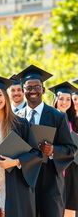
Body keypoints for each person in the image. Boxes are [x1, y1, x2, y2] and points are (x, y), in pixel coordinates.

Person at [0, 74, 42, 217]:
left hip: (14, 187)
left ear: (5, 96)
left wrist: (16, 161)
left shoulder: (20, 123)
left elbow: (36, 154)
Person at [15, 65, 77, 217]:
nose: (33, 91)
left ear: (43, 89)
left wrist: (53, 150)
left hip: (50, 181)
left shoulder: (57, 116)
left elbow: (71, 148)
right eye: (29, 87)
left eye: (37, 87)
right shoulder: (17, 117)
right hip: (24, 181)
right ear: (24, 90)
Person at [49, 82, 78, 217]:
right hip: (53, 169)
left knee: (69, 207)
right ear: (55, 99)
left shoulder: (74, 122)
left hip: (71, 170)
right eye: (61, 99)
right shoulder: (48, 119)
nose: (65, 102)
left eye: (68, 99)